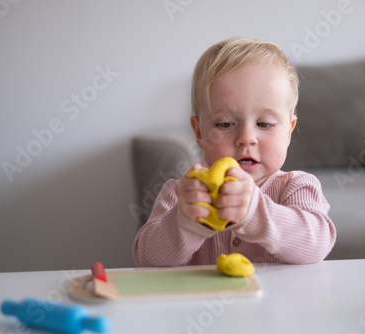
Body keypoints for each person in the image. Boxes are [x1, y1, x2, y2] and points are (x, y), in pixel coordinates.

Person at [133, 37, 336, 267]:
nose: (246, 138)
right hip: (200, 303)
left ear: (289, 131)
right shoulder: (181, 194)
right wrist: (186, 221)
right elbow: (147, 259)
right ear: (199, 133)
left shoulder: (297, 187)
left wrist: (255, 213)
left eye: (265, 124)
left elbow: (317, 245)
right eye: (226, 124)